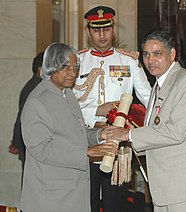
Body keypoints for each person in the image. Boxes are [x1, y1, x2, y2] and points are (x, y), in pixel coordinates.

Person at [103, 28, 186, 212]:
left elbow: (175, 132)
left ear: (172, 54)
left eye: (157, 54)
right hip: (163, 188)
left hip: (182, 189)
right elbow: (156, 128)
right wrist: (130, 126)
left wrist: (128, 134)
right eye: (146, 54)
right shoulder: (159, 85)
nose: (150, 60)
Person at [20, 42, 118, 212]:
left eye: (75, 68)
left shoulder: (68, 93)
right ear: (51, 66)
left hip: (72, 194)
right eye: (66, 68)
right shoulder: (37, 101)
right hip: (51, 199)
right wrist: (87, 152)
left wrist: (99, 135)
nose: (72, 74)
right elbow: (41, 149)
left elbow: (73, 133)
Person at [72, 5, 151, 212]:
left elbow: (149, 100)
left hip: (118, 145)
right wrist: (97, 111)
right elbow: (66, 106)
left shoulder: (129, 61)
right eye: (96, 30)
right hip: (85, 139)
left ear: (113, 30)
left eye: (106, 29)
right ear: (88, 31)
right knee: (84, 203)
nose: (102, 35)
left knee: (115, 204)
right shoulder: (77, 61)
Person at [9, 51, 44, 172]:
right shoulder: (34, 89)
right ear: (40, 69)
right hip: (31, 147)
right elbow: (22, 118)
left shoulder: (37, 86)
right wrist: (16, 142)